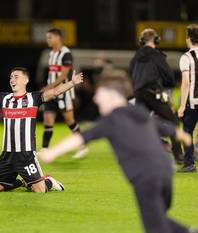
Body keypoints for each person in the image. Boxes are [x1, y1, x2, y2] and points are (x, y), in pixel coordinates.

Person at [38, 71, 196, 233]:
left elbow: (81, 138)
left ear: (112, 95)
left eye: (99, 94)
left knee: (154, 227)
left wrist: (51, 153)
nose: (95, 99)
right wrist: (182, 135)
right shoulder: (138, 112)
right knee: (157, 218)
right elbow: (163, 126)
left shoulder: (111, 120)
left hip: (146, 176)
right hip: (165, 171)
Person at [0, 66, 83, 192]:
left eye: (16, 77)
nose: (12, 80)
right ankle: (24, 182)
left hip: (26, 155)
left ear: (26, 80)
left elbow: (54, 92)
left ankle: (48, 181)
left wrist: (72, 82)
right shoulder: (5, 98)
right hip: (7, 155)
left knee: (40, 190)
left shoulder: (34, 98)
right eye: (11, 77)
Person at [129, 28, 183, 164]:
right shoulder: (156, 55)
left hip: (139, 93)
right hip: (152, 92)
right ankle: (178, 154)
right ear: (156, 40)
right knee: (174, 122)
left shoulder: (136, 56)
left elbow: (131, 73)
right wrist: (166, 85)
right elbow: (169, 76)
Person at [40, 28, 88, 159]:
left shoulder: (66, 53)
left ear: (57, 37)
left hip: (64, 93)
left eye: (50, 37)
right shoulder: (51, 54)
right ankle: (44, 149)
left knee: (70, 121)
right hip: (51, 93)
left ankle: (83, 146)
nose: (47, 40)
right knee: (48, 121)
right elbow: (52, 74)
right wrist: (49, 88)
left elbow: (64, 75)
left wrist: (47, 87)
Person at [177, 24, 198, 173]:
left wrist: (182, 106)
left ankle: (189, 163)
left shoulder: (186, 57)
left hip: (193, 101)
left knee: (187, 130)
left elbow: (186, 82)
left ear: (188, 38)